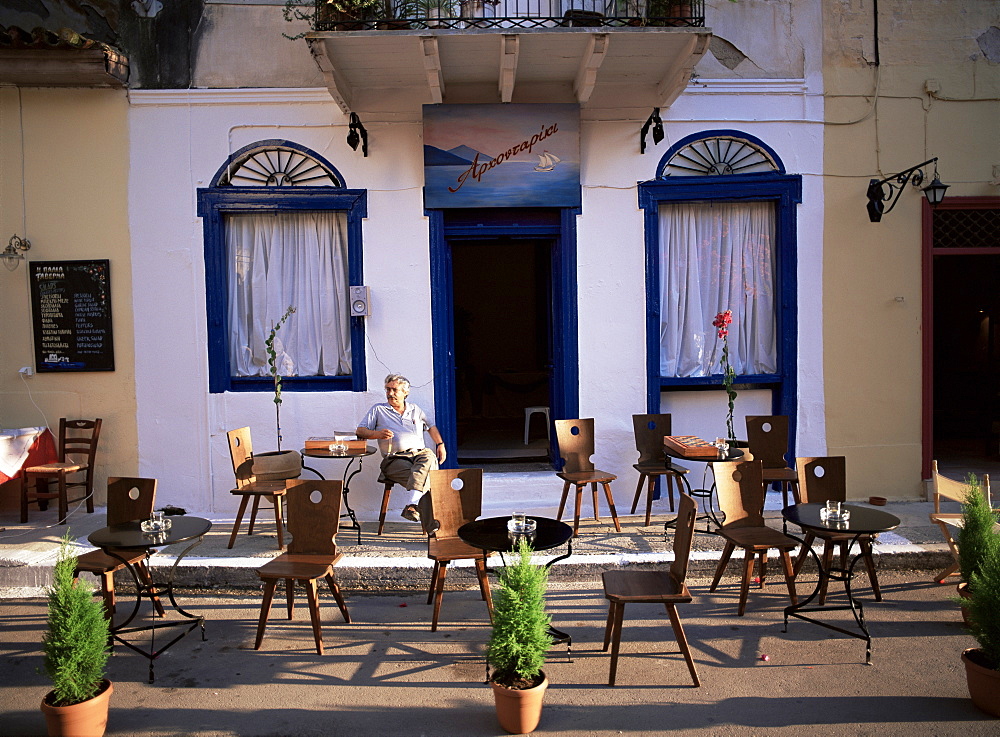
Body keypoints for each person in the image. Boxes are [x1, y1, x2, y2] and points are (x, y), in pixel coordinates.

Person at [356, 373, 446, 524]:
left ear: (405, 392)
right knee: (427, 482)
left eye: (394, 390)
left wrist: (440, 444)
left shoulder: (415, 409)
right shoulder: (379, 410)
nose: (390, 394)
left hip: (419, 455)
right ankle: (432, 528)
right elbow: (360, 431)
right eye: (387, 390)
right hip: (395, 459)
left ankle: (413, 506)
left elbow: (430, 426)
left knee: (429, 457)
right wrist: (377, 434)